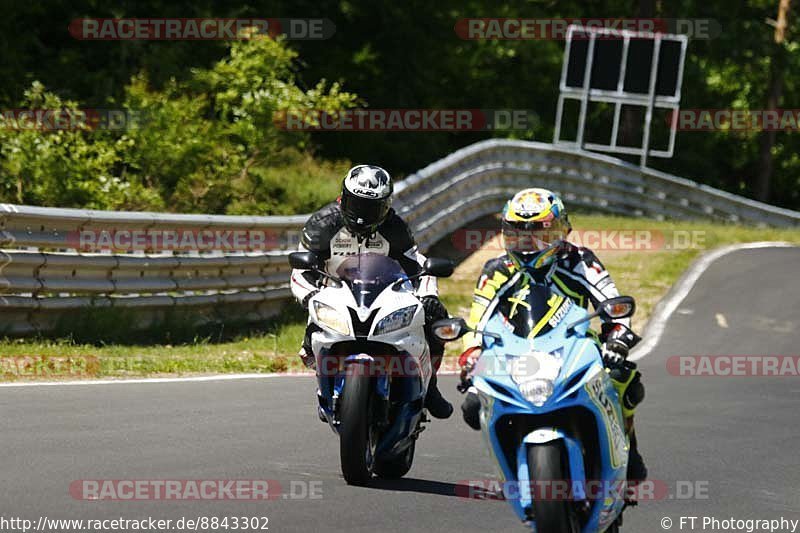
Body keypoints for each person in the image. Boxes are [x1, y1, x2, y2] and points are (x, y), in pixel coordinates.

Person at [458, 188, 647, 482]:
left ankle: (629, 448)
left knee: (625, 379)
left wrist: (618, 338)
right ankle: (515, 463)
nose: (530, 243)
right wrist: (471, 357)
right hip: (513, 355)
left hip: (575, 346)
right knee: (472, 406)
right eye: (519, 234)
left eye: (540, 233)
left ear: (562, 230)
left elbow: (614, 303)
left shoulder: (580, 261)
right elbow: (477, 322)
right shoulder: (496, 269)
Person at [290, 164, 453, 419]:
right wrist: (311, 295)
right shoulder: (322, 224)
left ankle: (430, 388)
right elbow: (301, 270)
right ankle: (326, 388)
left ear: (386, 205)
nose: (362, 215)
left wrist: (429, 296)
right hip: (335, 293)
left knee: (436, 321)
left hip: (385, 293)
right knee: (310, 342)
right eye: (356, 204)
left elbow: (418, 266)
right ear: (343, 198)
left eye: (371, 207)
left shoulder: (395, 228)